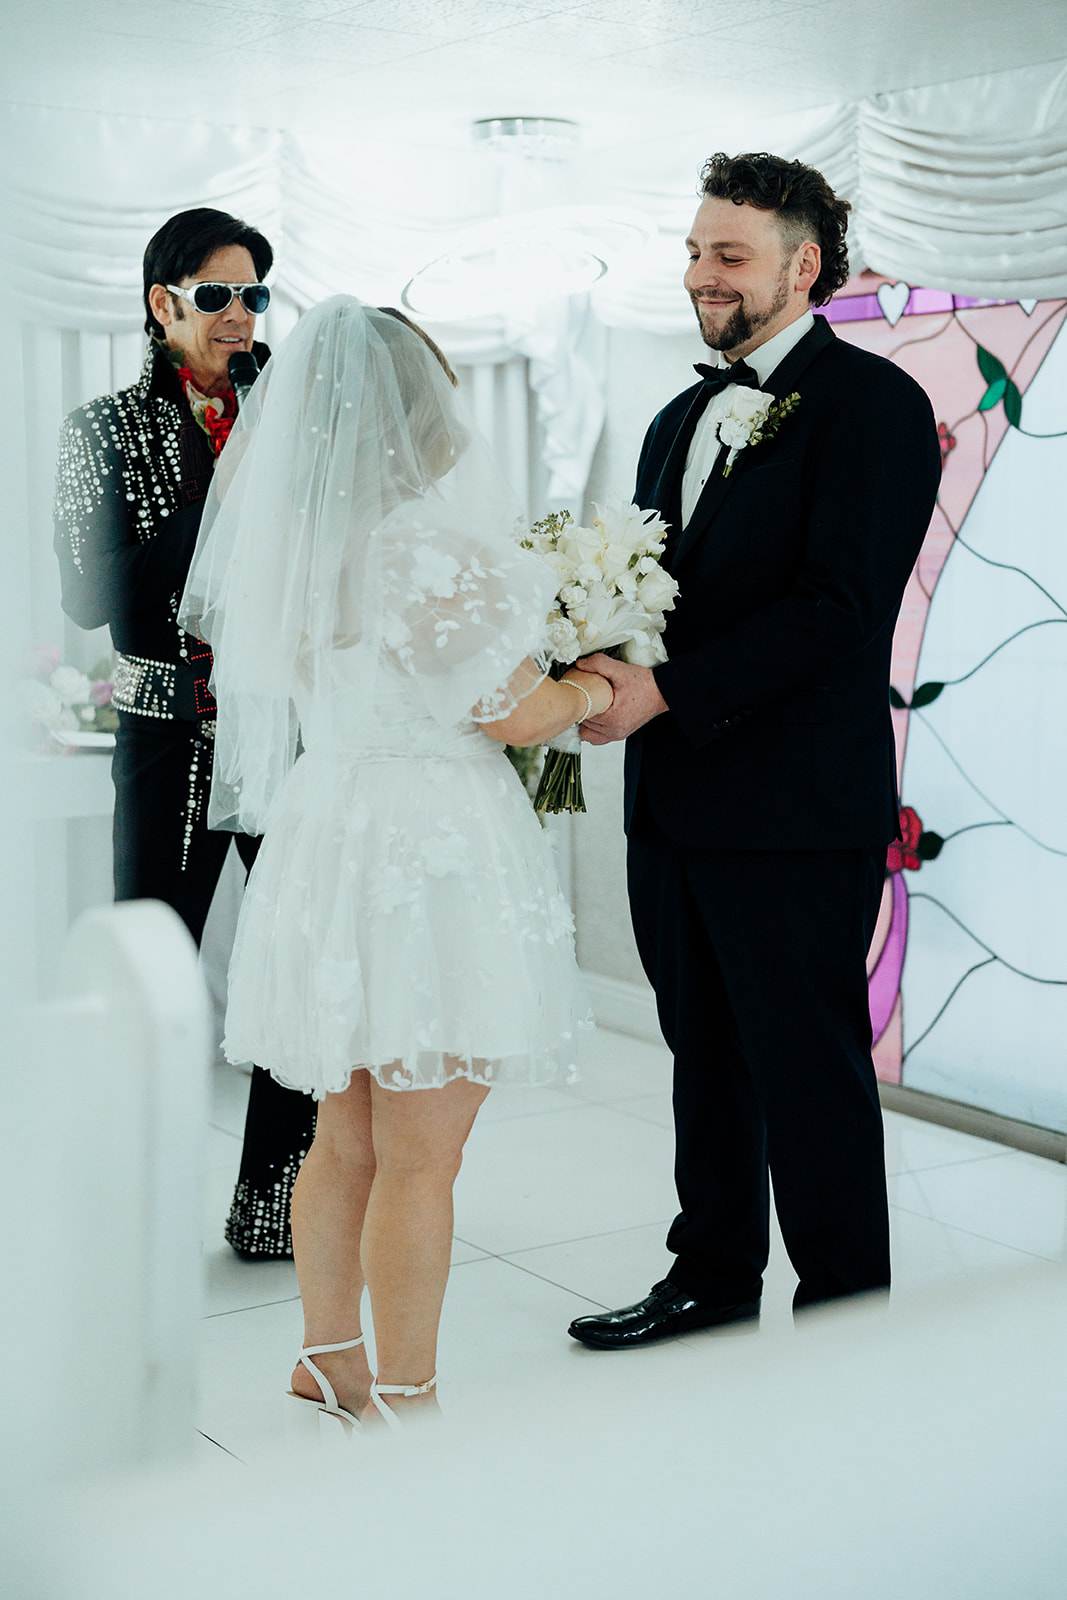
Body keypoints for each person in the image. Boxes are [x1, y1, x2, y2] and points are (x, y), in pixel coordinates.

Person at [179, 296, 610, 1427]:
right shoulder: (422, 547)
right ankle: (407, 1394)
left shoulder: (299, 544)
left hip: (333, 829)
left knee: (347, 1130)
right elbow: (511, 714)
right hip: (428, 845)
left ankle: (328, 1354)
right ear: (411, 409)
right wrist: (600, 682)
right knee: (422, 1154)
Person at [568, 152, 942, 1346]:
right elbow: (651, 593)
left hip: (790, 811)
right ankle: (710, 1275)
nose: (700, 276)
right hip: (673, 802)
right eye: (692, 251)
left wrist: (661, 690)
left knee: (809, 1071)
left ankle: (844, 1317)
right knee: (702, 1056)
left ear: (802, 264)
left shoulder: (870, 406)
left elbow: (838, 613)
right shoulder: (678, 415)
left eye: (727, 255)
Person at [53, 207, 316, 1260]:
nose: (241, 315)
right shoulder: (103, 428)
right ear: (162, 304)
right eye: (217, 295)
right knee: (149, 973)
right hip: (167, 737)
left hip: (287, 743)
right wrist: (220, 492)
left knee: (303, 965)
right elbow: (87, 600)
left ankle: (274, 1203)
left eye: (255, 295)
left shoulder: (295, 421)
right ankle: (127, 1203)